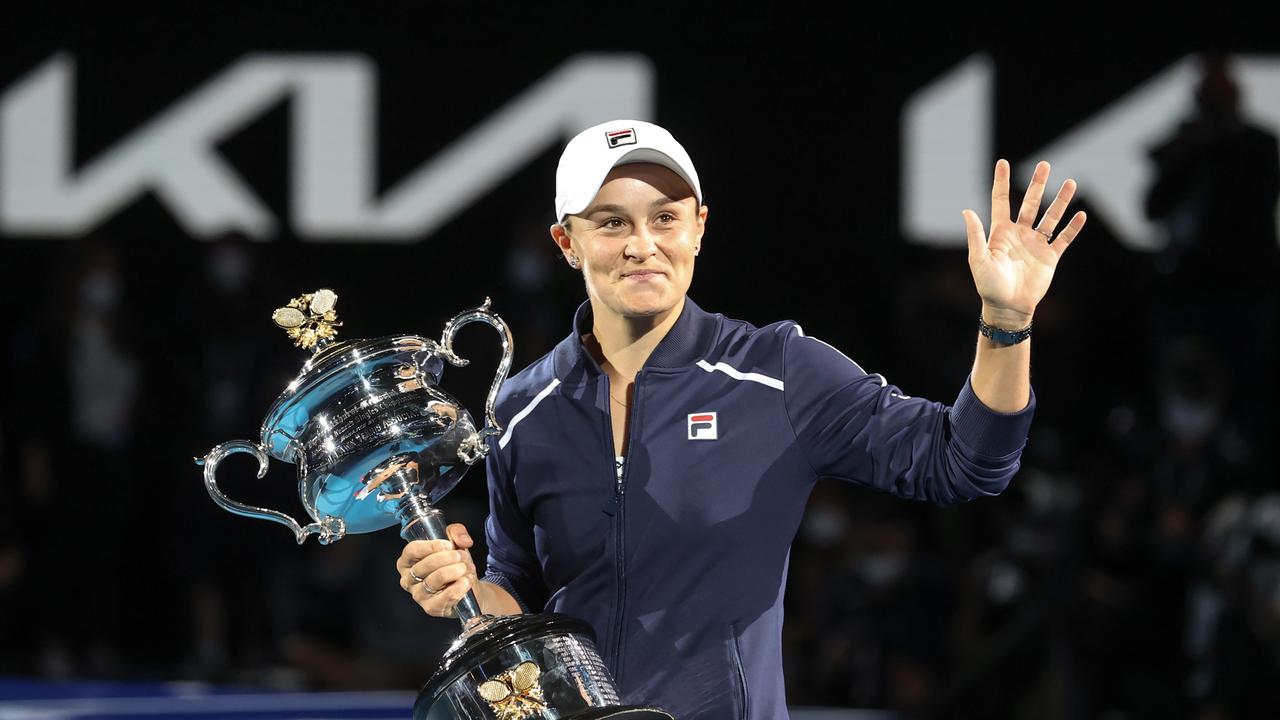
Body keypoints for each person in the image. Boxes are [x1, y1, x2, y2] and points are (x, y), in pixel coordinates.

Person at [396, 120, 1086, 720]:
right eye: (611, 223)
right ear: (567, 242)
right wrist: (462, 589)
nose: (642, 244)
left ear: (699, 226)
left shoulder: (778, 372)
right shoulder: (521, 407)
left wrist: (1006, 320)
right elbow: (519, 588)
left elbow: (963, 462)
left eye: (665, 218)